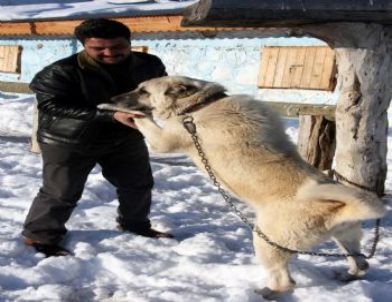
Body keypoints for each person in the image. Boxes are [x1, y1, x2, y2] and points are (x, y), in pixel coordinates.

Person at [22, 18, 172, 257]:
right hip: (70, 139)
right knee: (61, 192)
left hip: (125, 134)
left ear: (129, 42)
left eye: (117, 47)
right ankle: (40, 236)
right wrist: (110, 115)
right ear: (84, 46)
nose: (109, 52)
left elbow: (161, 91)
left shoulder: (149, 64)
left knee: (138, 183)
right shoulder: (60, 72)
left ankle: (135, 224)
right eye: (98, 48)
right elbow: (51, 105)